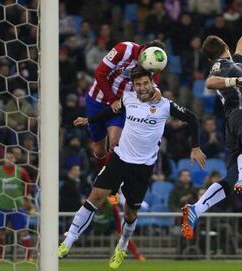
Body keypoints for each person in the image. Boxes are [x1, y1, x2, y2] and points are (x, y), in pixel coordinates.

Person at [57, 66, 206, 270]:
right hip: (120, 159)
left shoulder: (164, 105)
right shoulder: (128, 98)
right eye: (138, 84)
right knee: (95, 196)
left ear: (152, 83)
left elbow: (193, 118)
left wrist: (195, 147)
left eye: (145, 83)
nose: (142, 87)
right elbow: (110, 111)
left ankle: (122, 245)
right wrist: (89, 119)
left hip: (143, 168)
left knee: (130, 214)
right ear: (133, 86)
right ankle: (68, 241)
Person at [181, 1, 242, 241]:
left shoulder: (233, 63)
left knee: (229, 177)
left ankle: (196, 209)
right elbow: (209, 82)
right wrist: (238, 82)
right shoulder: (224, 66)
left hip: (232, 120)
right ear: (224, 48)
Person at [86, 39, 164, 170]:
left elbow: (152, 86)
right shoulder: (124, 49)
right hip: (97, 100)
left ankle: (110, 186)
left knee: (115, 143)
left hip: (121, 106)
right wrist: (112, 99)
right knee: (99, 149)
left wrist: (157, 91)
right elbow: (100, 73)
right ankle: (100, 174)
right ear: (143, 52)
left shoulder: (155, 63)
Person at [0, 150, 34, 261]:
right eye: (7, 157)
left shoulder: (21, 171)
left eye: (11, 158)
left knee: (23, 231)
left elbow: (29, 184)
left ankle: (29, 257)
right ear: (4, 159)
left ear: (15, 159)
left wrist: (25, 196)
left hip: (17, 206)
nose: (9, 160)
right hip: (2, 207)